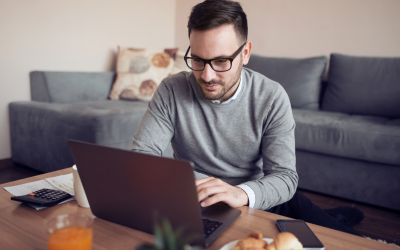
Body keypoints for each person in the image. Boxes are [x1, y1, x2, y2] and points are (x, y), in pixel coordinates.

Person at [131, 0, 364, 236]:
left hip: (258, 198)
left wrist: (239, 193)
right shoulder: (171, 90)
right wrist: (211, 189)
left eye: (221, 61)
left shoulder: (272, 97)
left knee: (347, 240)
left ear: (245, 53)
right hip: (195, 199)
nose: (207, 75)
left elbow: (284, 178)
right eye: (198, 60)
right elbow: (141, 157)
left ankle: (336, 218)